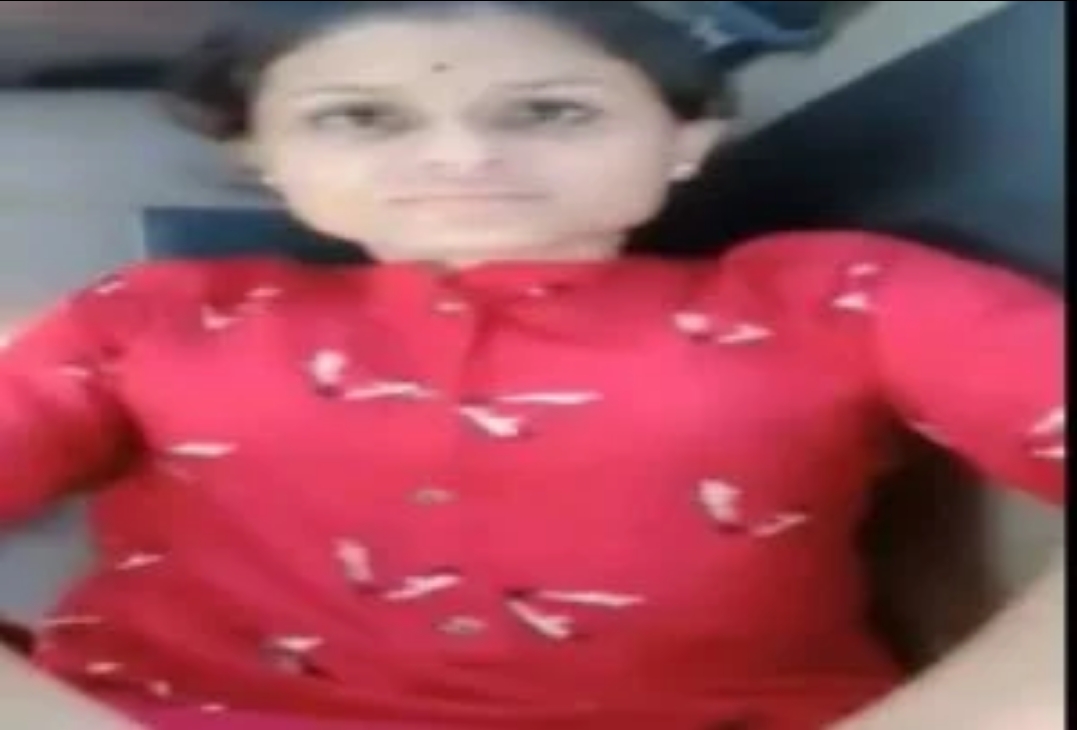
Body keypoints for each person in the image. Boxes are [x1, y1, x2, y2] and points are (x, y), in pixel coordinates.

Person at [0, 2, 1064, 729]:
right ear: (264, 159)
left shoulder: (837, 296)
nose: (461, 156)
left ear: (685, 139)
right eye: (358, 117)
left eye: (551, 110)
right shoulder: (153, 316)